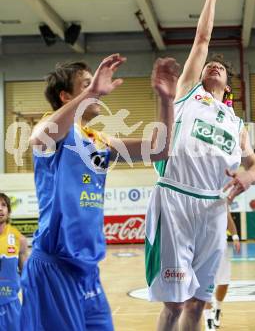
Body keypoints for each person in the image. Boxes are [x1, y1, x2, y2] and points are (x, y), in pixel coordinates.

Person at [20, 54, 179, 330]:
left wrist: (167, 101)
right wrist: (92, 93)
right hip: (55, 267)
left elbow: (158, 150)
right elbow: (39, 137)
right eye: (86, 84)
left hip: (87, 268)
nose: (96, 88)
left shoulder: (99, 140)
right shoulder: (53, 130)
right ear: (65, 95)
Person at [145, 0, 255, 331]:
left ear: (228, 88)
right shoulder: (188, 94)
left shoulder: (237, 123)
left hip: (213, 207)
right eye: (210, 65)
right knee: (175, 304)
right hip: (176, 199)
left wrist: (248, 178)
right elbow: (201, 40)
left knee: (197, 305)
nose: (213, 66)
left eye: (220, 69)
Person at [203, 210, 241, 330]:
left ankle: (218, 308)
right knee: (205, 284)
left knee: (224, 283)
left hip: (220, 246)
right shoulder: (193, 198)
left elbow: (228, 217)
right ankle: (208, 320)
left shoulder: (220, 197)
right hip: (201, 246)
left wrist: (235, 236)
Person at [0, 192, 28, 331]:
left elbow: (26, 276)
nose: (0, 208)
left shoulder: (19, 239)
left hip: (11, 305)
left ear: (9, 211)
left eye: (3, 205)